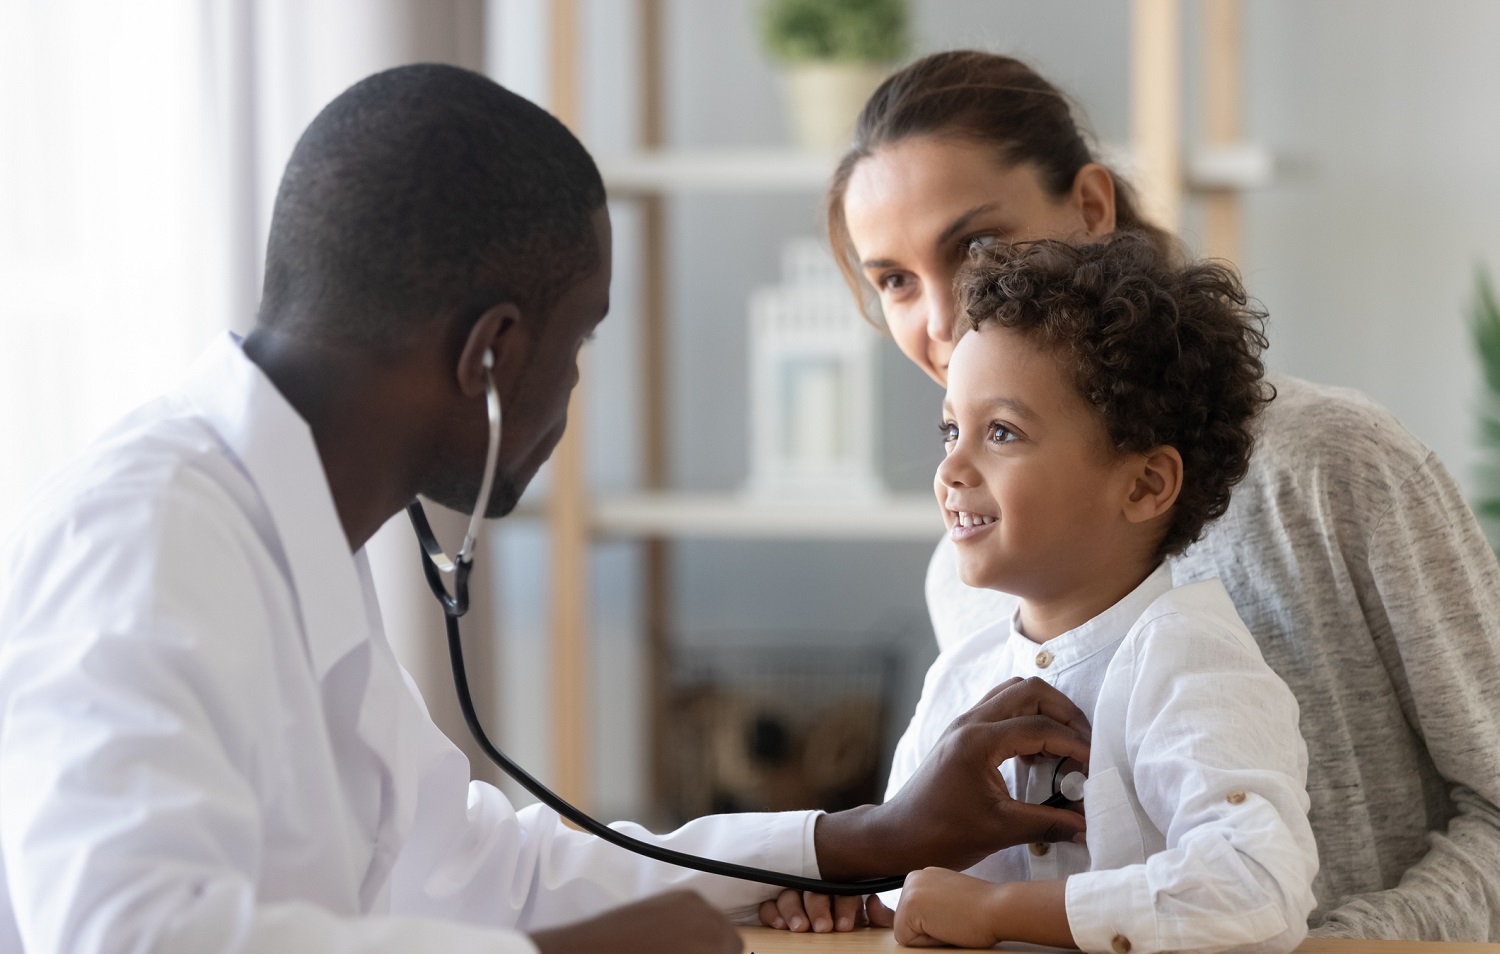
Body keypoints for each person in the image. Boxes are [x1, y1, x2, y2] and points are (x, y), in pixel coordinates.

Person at [0, 65, 1097, 954]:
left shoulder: (288, 538)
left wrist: (863, 838)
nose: (571, 392)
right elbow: (130, 935)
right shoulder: (140, 537)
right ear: (490, 356)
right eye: (576, 344)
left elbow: (485, 868)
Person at [762, 49, 1500, 940]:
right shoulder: (969, 578)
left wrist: (1339, 947)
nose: (944, 317)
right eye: (894, 280)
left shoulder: (1336, 467)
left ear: (1091, 208)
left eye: (977, 247)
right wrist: (858, 886)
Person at [896, 233, 1316, 951]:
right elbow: (907, 886)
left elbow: (1258, 887)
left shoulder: (1189, 663)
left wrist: (999, 911)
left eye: (1001, 432)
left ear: (1145, 485)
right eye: (950, 430)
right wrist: (845, 899)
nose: (951, 469)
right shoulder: (959, 678)